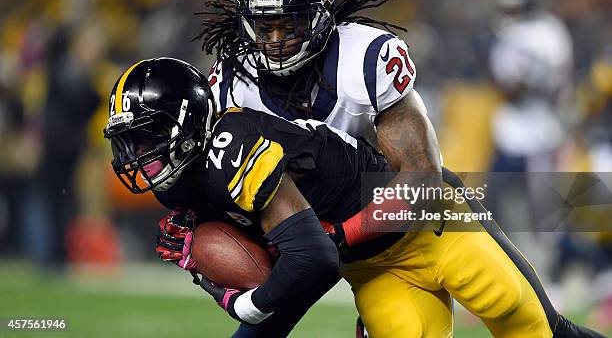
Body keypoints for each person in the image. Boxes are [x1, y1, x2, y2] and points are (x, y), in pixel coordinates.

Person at [104, 58, 604, 337]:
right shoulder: (188, 193)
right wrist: (254, 298)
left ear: (189, 129)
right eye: (130, 143)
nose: (136, 157)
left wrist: (247, 305)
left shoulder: (231, 142)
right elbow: (300, 277)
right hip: (371, 267)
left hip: (428, 221)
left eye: (146, 141)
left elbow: (314, 261)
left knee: (534, 331)